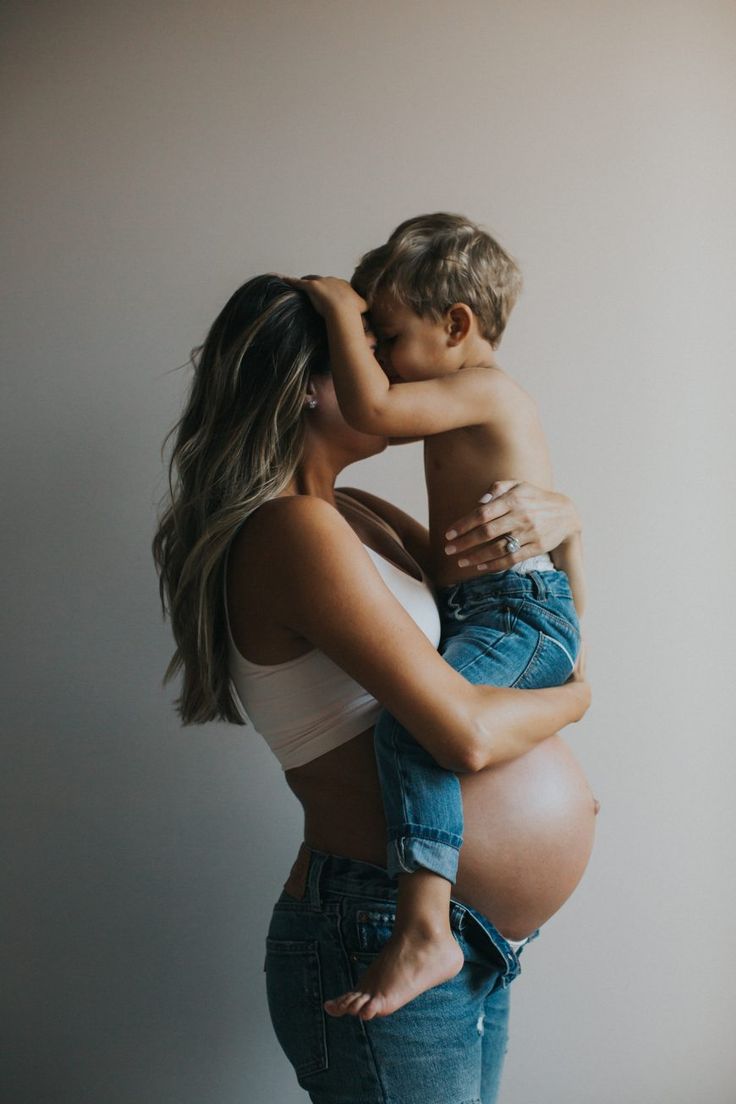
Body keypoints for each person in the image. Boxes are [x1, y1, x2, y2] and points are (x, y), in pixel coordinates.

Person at [152, 273, 597, 1104]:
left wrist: (567, 530)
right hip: (380, 929)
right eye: (368, 347)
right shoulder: (292, 531)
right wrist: (580, 705)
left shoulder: (360, 514)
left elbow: (537, 627)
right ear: (311, 388)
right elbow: (463, 733)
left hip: (472, 939)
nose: (393, 373)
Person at [287, 212, 586, 1020]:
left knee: (408, 729)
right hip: (497, 610)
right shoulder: (320, 522)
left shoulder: (483, 390)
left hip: (517, 613)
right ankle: (425, 923)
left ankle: (426, 925)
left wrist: (337, 311)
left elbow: (374, 407)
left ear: (456, 325)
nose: (373, 357)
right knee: (413, 725)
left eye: (384, 333)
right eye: (367, 338)